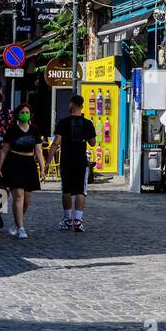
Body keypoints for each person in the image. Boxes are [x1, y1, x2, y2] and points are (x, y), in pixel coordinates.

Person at [48, 95, 96, 232]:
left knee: (67, 190)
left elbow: (56, 143)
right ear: (82, 106)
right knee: (81, 190)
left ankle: (67, 220)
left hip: (66, 160)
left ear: (71, 104)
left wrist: (47, 163)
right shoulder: (87, 123)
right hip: (81, 160)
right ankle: (78, 221)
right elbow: (92, 143)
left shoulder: (63, 123)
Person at [0, 104, 44, 239]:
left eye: (27, 112)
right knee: (18, 196)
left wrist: (42, 168)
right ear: (18, 114)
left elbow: (39, 150)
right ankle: (21, 228)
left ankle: (17, 222)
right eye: (22, 112)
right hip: (14, 164)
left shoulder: (35, 130)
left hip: (29, 164)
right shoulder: (12, 130)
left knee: (27, 199)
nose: (25, 114)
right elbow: (4, 150)